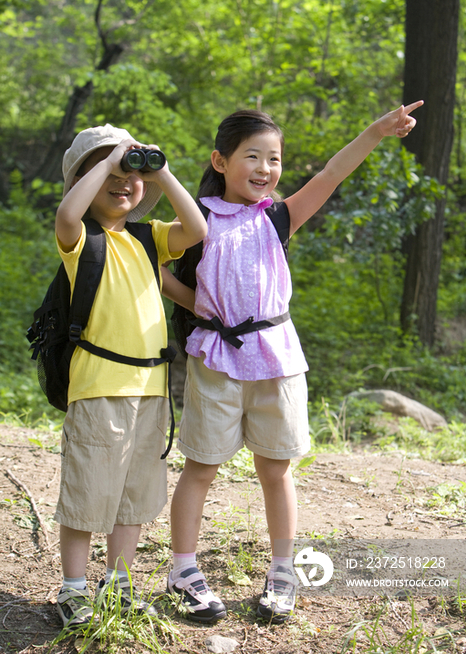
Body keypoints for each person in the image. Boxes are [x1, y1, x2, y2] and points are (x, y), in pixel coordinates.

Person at [161, 102, 423, 624]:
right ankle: (183, 569)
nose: (265, 168)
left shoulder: (279, 216)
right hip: (215, 357)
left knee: (276, 469)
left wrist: (375, 131)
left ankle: (284, 569)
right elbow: (153, 266)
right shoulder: (197, 219)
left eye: (274, 159)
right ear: (220, 160)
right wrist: (201, 306)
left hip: (277, 357)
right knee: (201, 468)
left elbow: (330, 173)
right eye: (252, 156)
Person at [53, 123, 207, 629]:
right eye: (108, 173)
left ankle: (117, 582)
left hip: (150, 389)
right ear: (86, 177)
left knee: (134, 495)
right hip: (99, 387)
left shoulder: (148, 239)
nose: (122, 180)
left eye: (130, 174)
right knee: (89, 492)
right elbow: (67, 212)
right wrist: (110, 159)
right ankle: (73, 589)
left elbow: (197, 229)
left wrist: (160, 173)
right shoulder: (81, 239)